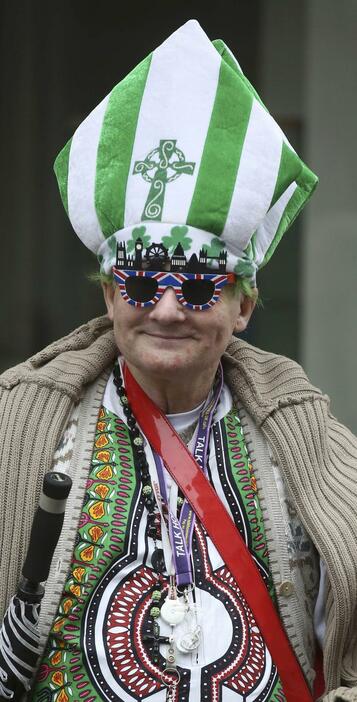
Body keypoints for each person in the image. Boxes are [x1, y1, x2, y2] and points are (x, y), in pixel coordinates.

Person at [0, 19, 356, 702]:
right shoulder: (23, 428)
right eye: (138, 282)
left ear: (242, 307)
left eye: (197, 286)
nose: (165, 310)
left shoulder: (310, 447)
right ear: (109, 295)